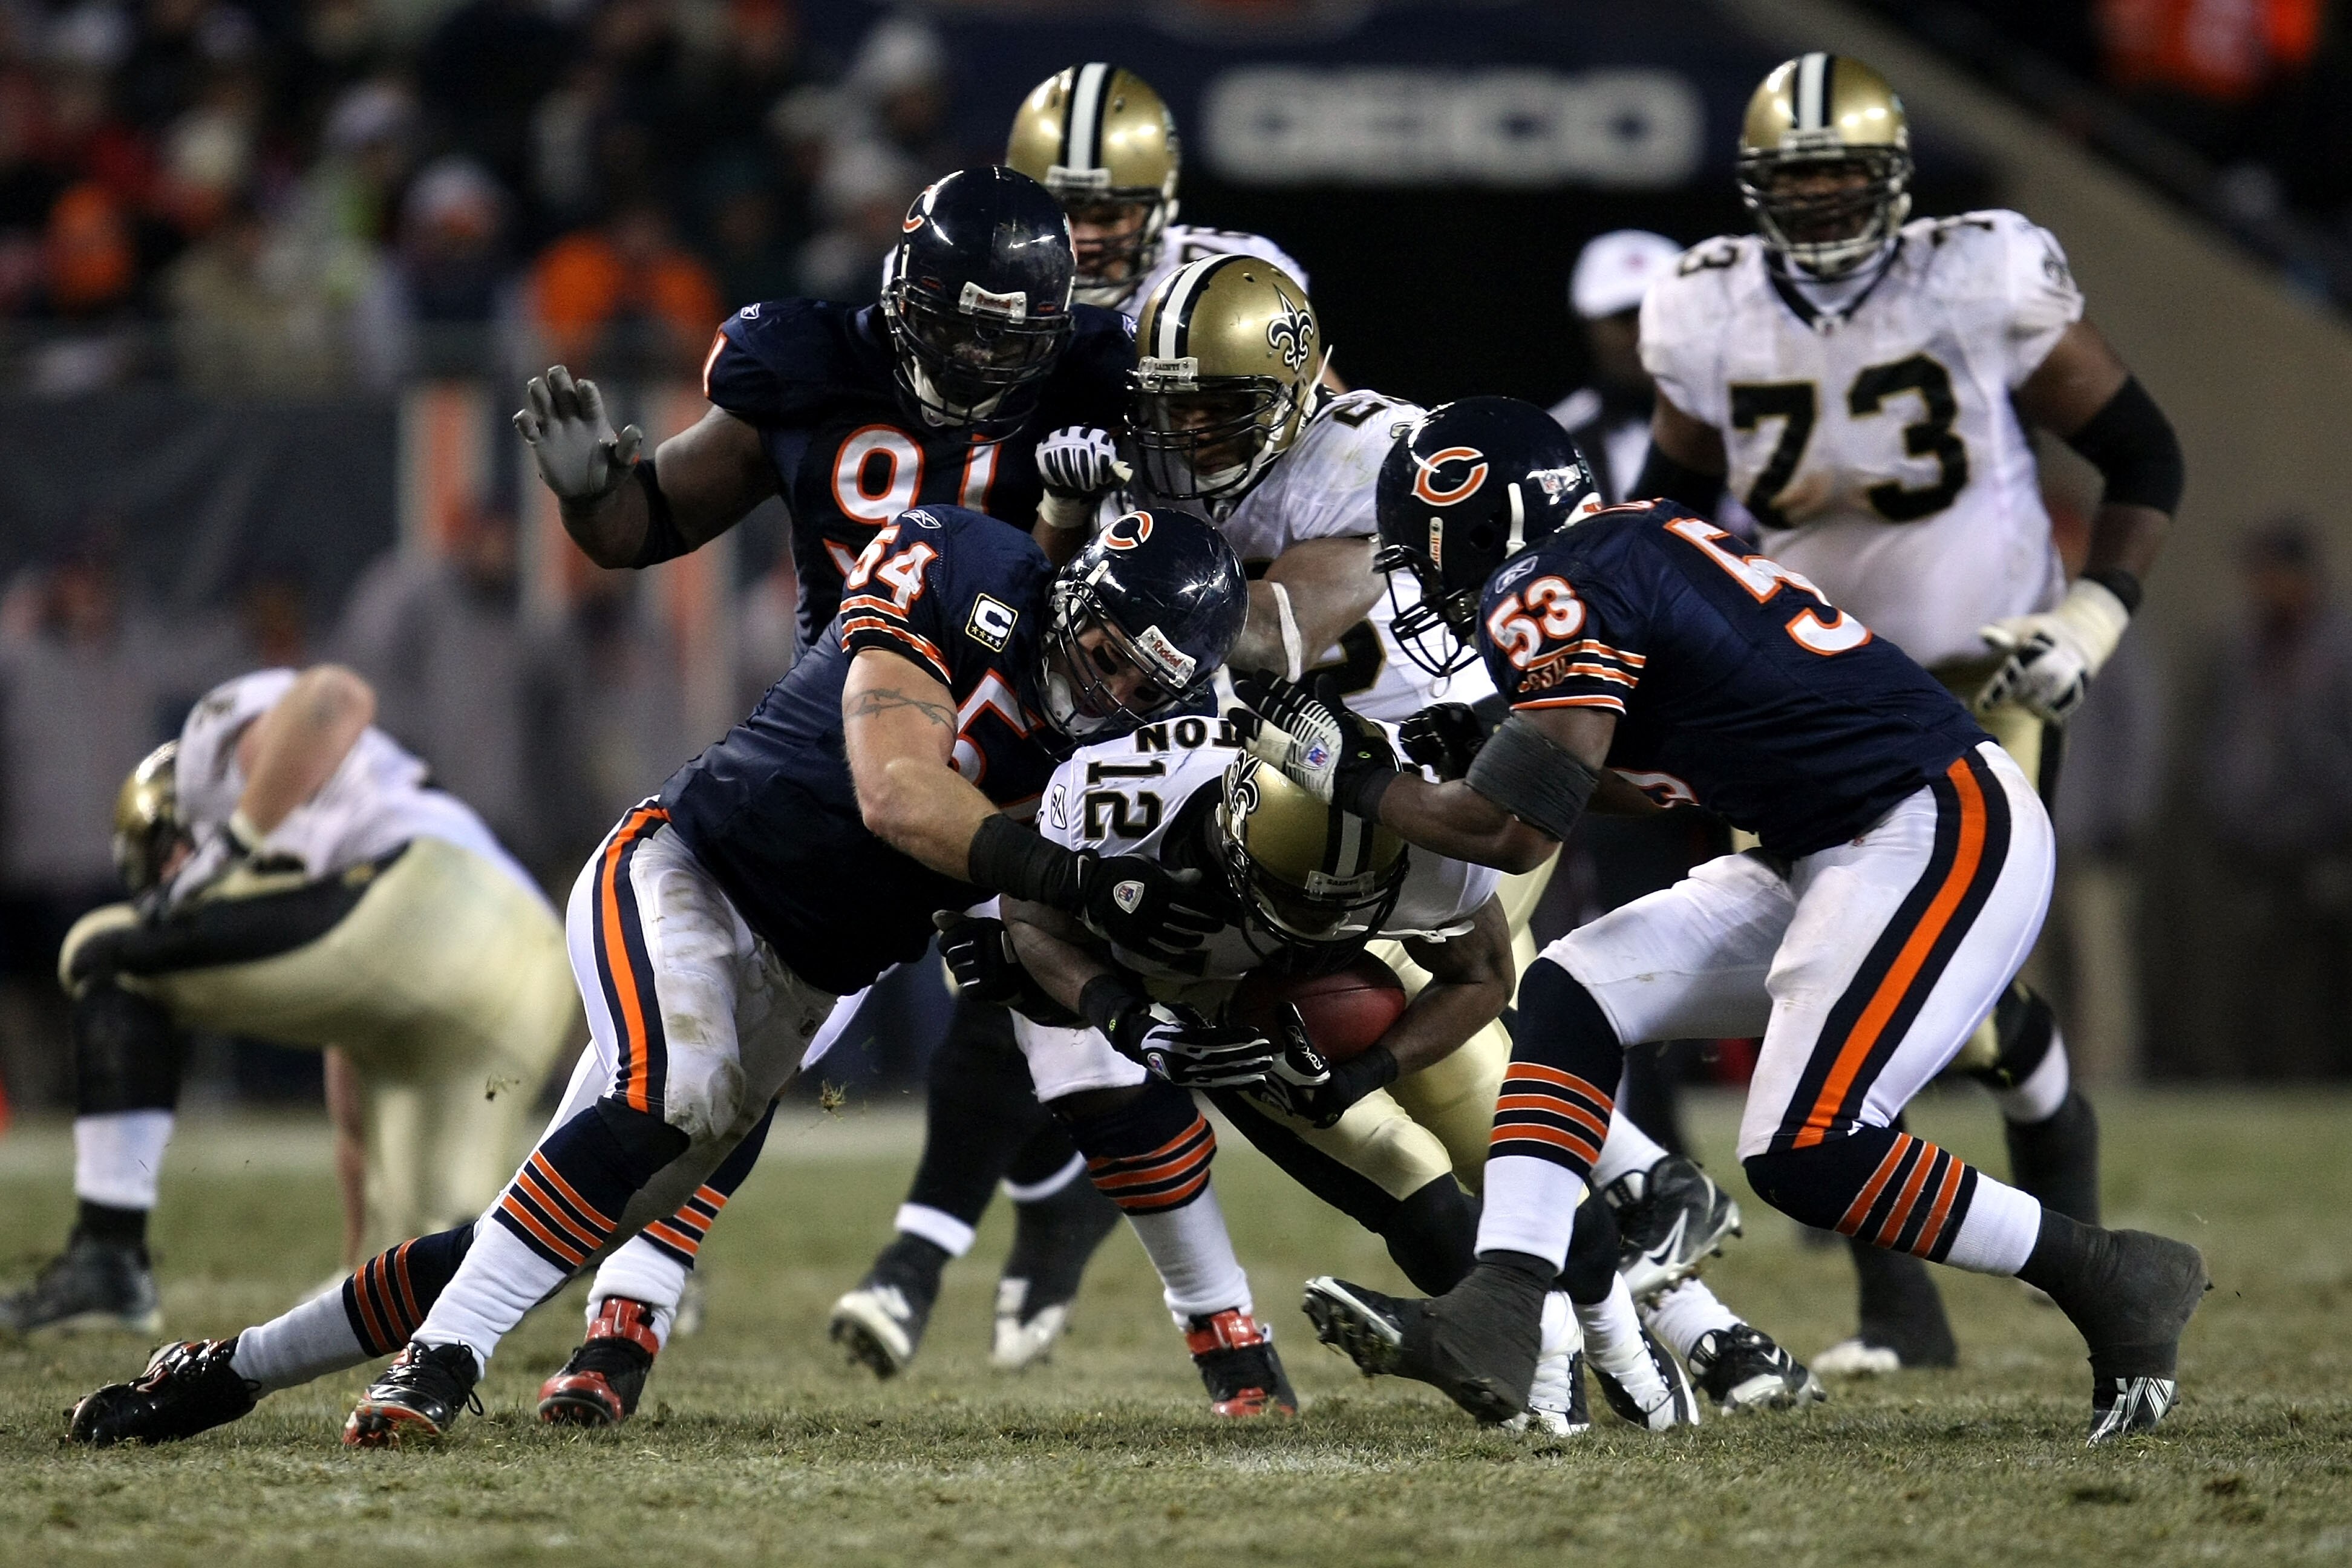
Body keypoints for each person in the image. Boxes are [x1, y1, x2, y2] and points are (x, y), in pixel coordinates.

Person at [64, 503, 1257, 1447]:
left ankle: (232, 1370)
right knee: (666, 1095)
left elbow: (1033, 920)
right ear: (1075, 601)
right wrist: (1071, 874)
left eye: (1145, 689)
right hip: (690, 874)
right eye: (1104, 655)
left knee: (540, 1228)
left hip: (804, 982)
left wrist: (1116, 992)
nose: (1109, 693)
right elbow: (898, 793)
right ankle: (441, 1365)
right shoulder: (969, 566)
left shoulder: (1111, 761)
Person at [1250, 396, 2205, 1446]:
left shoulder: (1550, 583)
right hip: (1829, 838)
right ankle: (1500, 1306)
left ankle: (2114, 1273)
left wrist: (1351, 776)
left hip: (1925, 819)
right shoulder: (1619, 549)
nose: (1417, 581)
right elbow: (1645, 788)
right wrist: (1479, 736)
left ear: (1477, 528)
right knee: (1569, 986)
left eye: (1420, 551)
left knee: (1808, 1147)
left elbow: (1519, 834)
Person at [517, 163, 1138, 1380]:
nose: (972, 363)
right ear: (906, 293)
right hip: (850, 757)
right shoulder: (802, 371)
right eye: (954, 328)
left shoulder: (1097, 390)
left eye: (1002, 340)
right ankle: (620, 1307)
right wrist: (592, 496)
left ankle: (1222, 1313)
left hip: (1029, 756)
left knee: (1126, 1021)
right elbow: (648, 526)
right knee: (738, 1048)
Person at [1630, 53, 2184, 1375]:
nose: (1817, 199)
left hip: (1978, 670)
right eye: (1793, 175)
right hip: (1806, 693)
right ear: (1755, 188)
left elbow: (2142, 451)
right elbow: (1673, 510)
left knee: (1967, 1005)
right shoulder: (1707, 309)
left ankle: (2075, 1222)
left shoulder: (1979, 277)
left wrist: (2098, 609)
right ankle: (1902, 1313)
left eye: (1839, 172)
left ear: (1893, 182)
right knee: (1813, 983)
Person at [826, 62, 1329, 1382]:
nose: (1091, 231)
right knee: (1016, 943)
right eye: (1069, 204)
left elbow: (1297, 427)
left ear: (1165, 203)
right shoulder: (1004, 284)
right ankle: (1032, 1249)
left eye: (1116, 208)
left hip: (1199, 637)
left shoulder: (1224, 281)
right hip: (1056, 624)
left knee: (1104, 949)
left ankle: (986, 1246)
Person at [967, 717, 1818, 1427]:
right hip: (1227, 1010)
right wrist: (1123, 1012)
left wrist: (1375, 1062)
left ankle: (1619, 1338)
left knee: (1523, 1160)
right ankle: (1544, 1354)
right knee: (1415, 1192)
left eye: (1336, 903)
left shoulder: (1425, 851)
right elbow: (1025, 912)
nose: (1309, 925)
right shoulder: (1124, 807)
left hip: (1376, 965)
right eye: (1297, 900)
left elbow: (1485, 976)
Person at [0, 666, 576, 1335]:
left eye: (160, 866)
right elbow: (351, 1051)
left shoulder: (209, 769)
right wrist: (355, 1242)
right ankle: (636, 1263)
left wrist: (231, 848)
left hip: (432, 900)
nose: (162, 890)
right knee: (424, 1268)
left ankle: (107, 1258)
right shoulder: (337, 833)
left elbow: (338, 695)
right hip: (527, 961)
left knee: (105, 951)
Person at [1547, 229, 1684, 506]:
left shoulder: (1737, 426)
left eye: (1658, 312)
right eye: (1624, 317)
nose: (1644, 332)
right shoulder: (1555, 442)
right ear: (1590, 326)